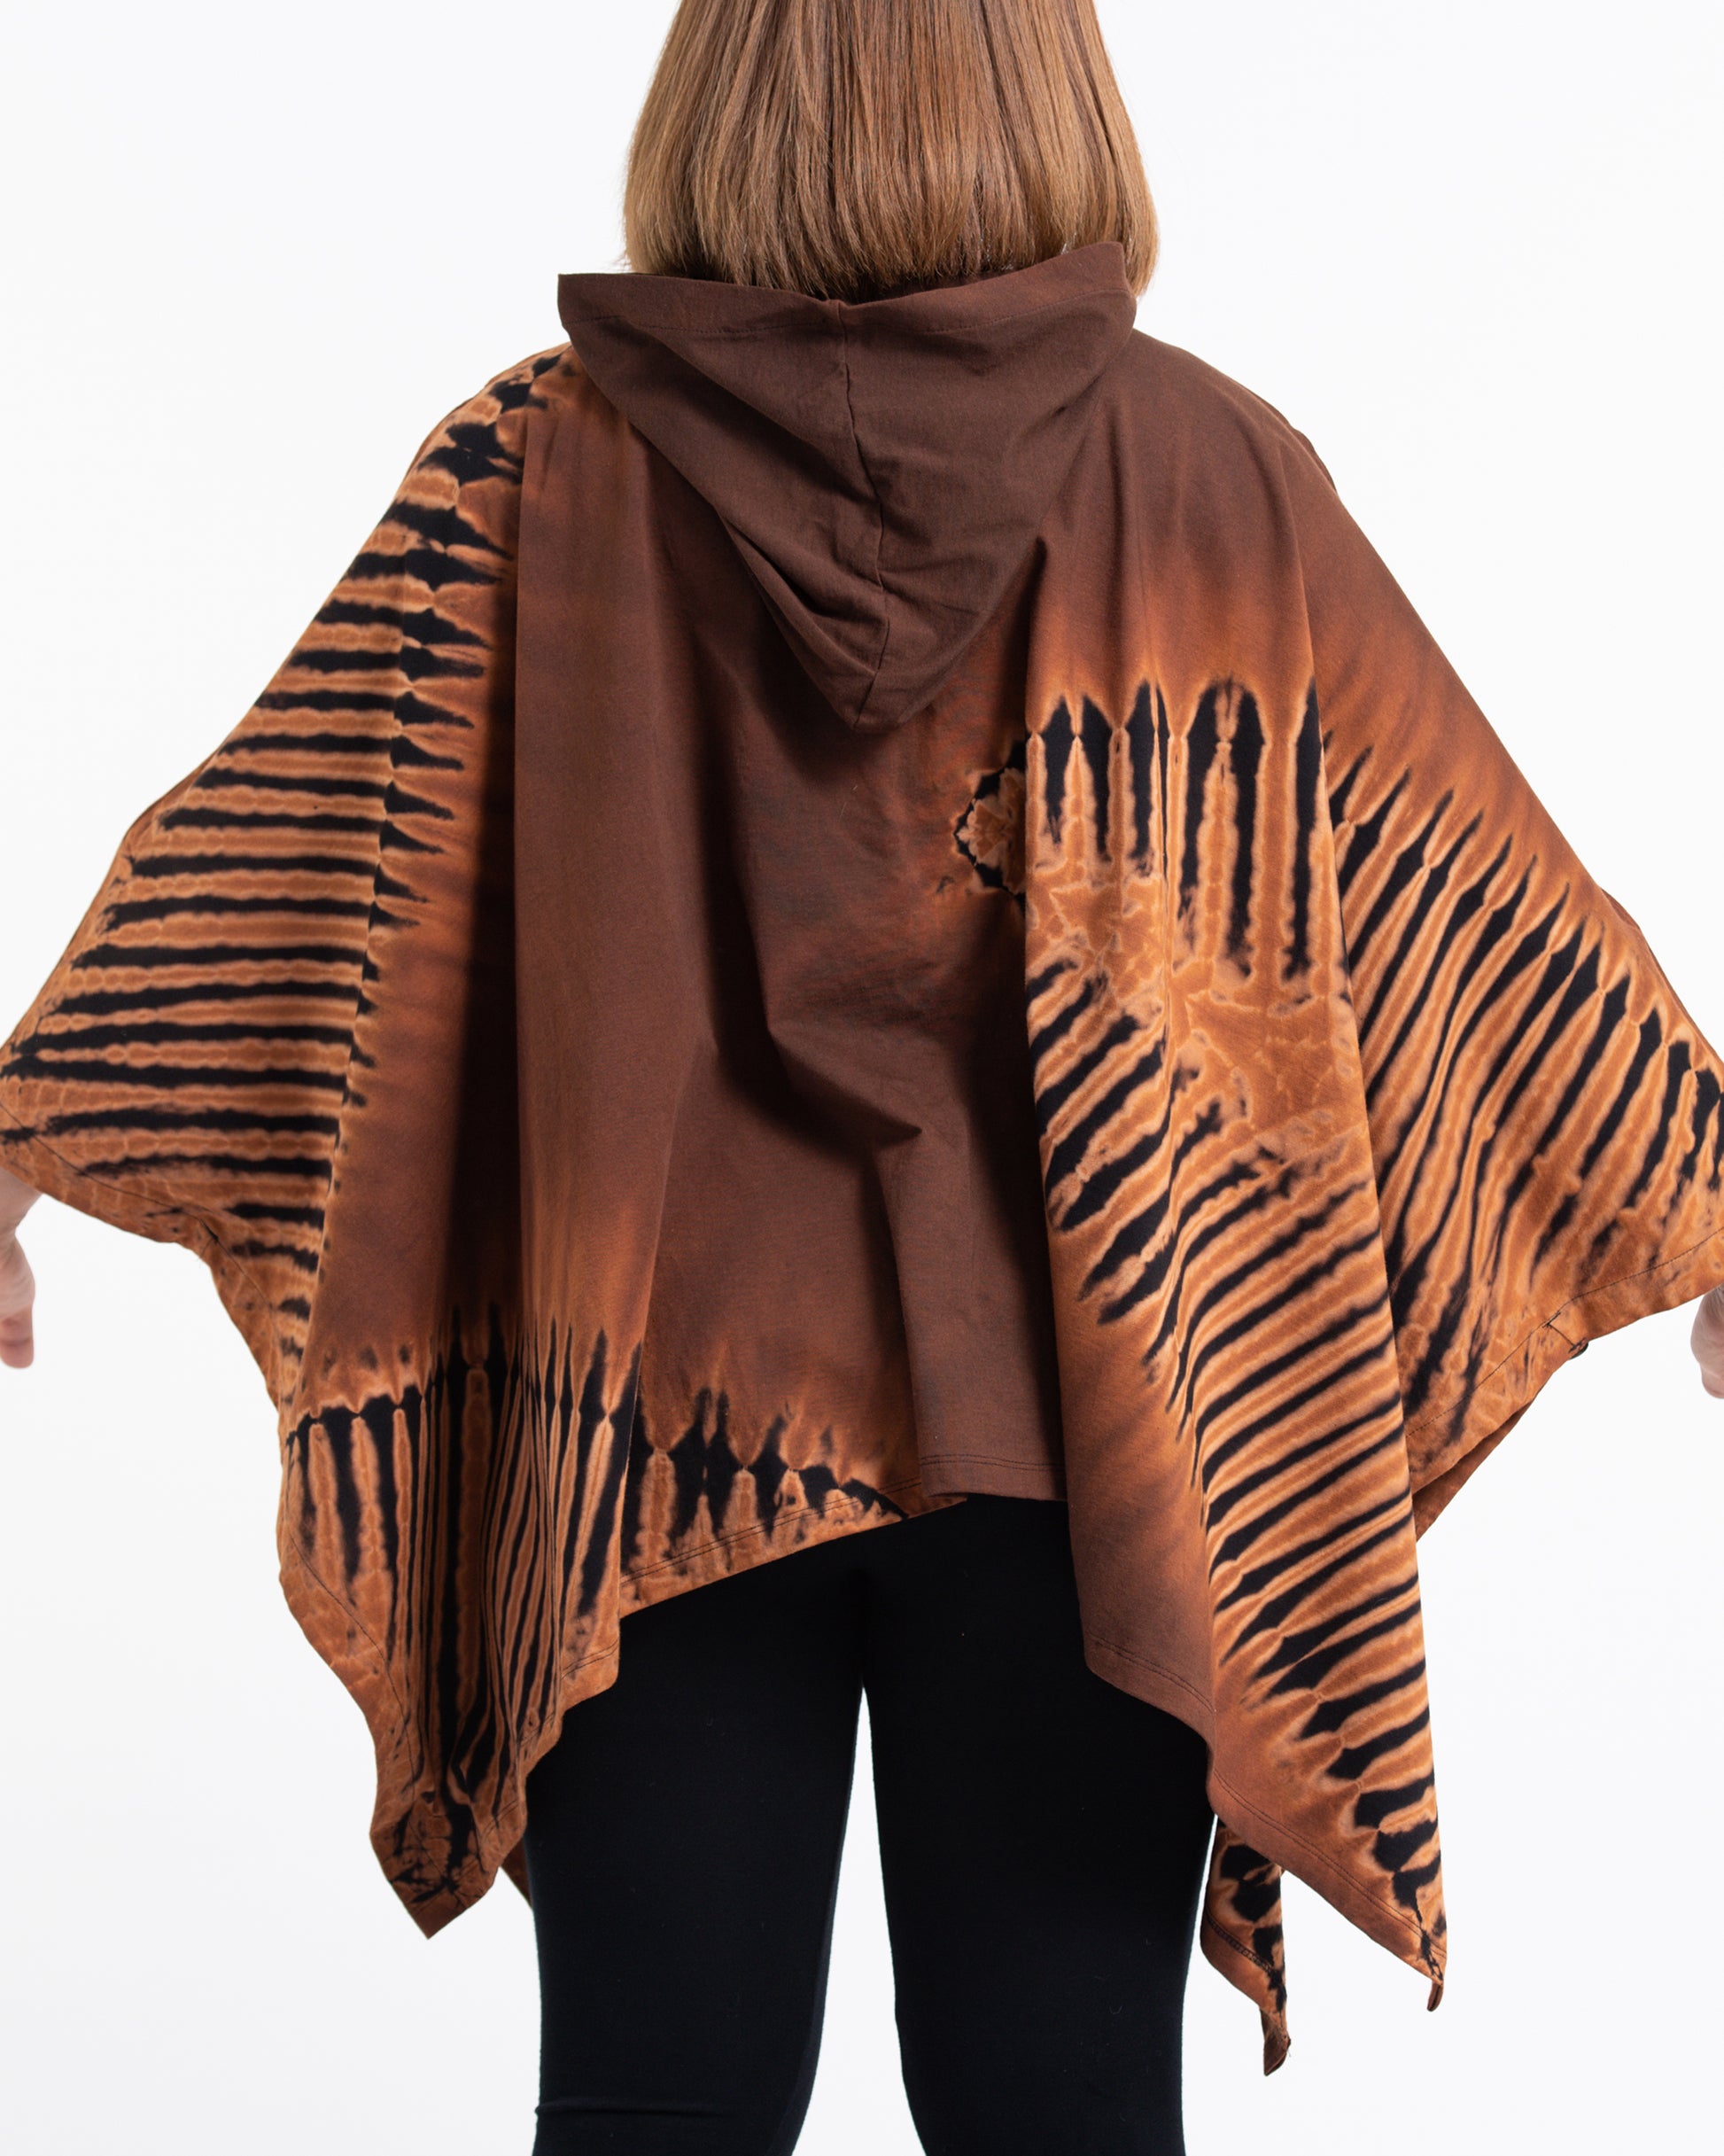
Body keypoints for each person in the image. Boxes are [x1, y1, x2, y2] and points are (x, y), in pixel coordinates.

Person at [3, 3, 1722, 2152]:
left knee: (651, 2096)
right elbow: (1469, 897)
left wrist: (24, 1130)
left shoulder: (533, 471)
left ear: (719, 102)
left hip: (646, 1449)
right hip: (1078, 1457)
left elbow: (278, 867)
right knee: (1065, 2106)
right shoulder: (1206, 479)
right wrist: (1693, 1188)